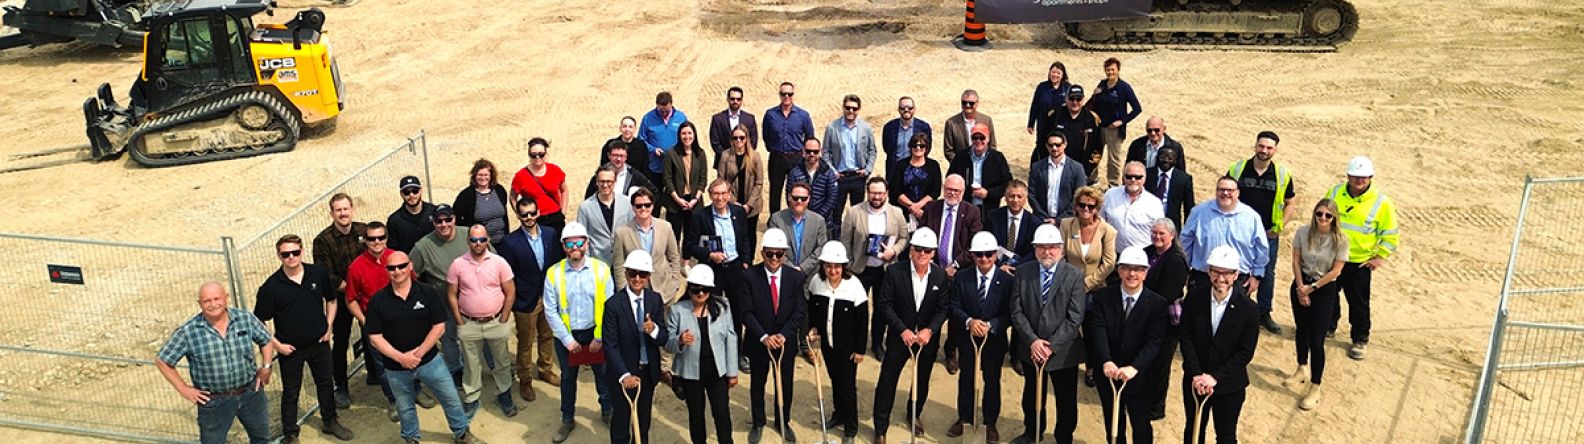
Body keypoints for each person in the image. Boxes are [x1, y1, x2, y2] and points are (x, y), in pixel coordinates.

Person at [366, 252, 476, 444]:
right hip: (395, 368)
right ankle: (411, 438)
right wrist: (401, 358)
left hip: (431, 362)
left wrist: (417, 354)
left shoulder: (427, 292)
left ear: (410, 266)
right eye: (392, 268)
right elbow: (375, 337)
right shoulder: (378, 301)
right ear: (386, 271)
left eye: (401, 266)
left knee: (450, 399)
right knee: (405, 408)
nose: (397, 271)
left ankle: (462, 434)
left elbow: (439, 326)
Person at [253, 235, 355, 442]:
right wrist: (278, 346)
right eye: (286, 254)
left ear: (302, 251)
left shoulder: (317, 273)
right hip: (291, 350)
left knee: (326, 383)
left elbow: (332, 300)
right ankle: (290, 433)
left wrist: (328, 326)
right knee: (291, 392)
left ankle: (330, 421)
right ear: (279, 256)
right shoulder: (271, 287)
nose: (291, 257)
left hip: (319, 343)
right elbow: (258, 322)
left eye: (295, 252)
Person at [157, 282, 282, 444]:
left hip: (251, 394)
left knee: (261, 439)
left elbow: (265, 340)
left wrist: (266, 366)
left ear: (226, 298)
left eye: (217, 298)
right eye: (207, 301)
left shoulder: (244, 319)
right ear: (199, 304)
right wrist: (184, 389)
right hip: (214, 402)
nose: (213, 304)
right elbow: (163, 360)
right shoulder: (189, 331)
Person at [872, 228, 952, 444]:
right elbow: (884, 305)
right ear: (911, 251)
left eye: (927, 250)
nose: (922, 254)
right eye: (918, 249)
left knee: (922, 380)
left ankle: (913, 414)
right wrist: (902, 330)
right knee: (887, 381)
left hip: (926, 341)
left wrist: (930, 330)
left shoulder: (940, 276)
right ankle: (880, 428)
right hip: (900, 339)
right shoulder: (894, 272)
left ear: (933, 253)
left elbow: (943, 308)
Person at [1009, 224, 1086, 444]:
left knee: (1065, 398)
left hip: (1063, 352)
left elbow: (1075, 317)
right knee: (1032, 394)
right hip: (1031, 348)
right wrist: (1033, 341)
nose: (1047, 252)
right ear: (1034, 249)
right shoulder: (1024, 272)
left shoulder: (1074, 276)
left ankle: (1064, 436)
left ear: (1061, 249)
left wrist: (1051, 345)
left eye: (1052, 247)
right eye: (1042, 247)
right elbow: (1016, 311)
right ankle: (1032, 432)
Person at [542, 222, 616, 442]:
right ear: (563, 246)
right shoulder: (553, 274)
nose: (575, 247)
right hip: (568, 337)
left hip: (595, 334)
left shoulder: (601, 269)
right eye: (569, 243)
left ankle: (607, 412)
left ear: (587, 243)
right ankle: (567, 418)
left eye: (578, 242)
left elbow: (608, 307)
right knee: (568, 379)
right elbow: (550, 310)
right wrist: (567, 340)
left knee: (602, 376)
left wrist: (599, 337)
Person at [1085, 246, 1167, 444]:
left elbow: (1154, 342)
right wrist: (1106, 361)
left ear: (1145, 273)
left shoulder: (1157, 304)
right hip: (1109, 373)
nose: (1132, 274)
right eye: (1127, 268)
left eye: (1138, 269)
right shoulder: (1103, 297)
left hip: (1139, 376)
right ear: (1119, 271)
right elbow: (1098, 329)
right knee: (1113, 421)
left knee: (1140, 423)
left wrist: (1135, 367)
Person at [1180, 246, 1260, 444]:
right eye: (1216, 272)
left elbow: (1245, 352)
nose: (1221, 279)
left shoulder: (1249, 309)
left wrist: (1215, 377)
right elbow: (1186, 338)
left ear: (1236, 275)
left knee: (1225, 436)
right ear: (1209, 271)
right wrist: (1197, 374)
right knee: (1193, 432)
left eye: (1227, 273)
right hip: (1195, 382)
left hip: (1229, 385)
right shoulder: (1194, 298)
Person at [1327, 156, 1399, 361]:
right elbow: (1322, 216)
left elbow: (1391, 234)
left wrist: (1380, 257)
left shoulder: (1382, 203)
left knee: (1358, 303)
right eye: (1355, 176)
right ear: (1348, 175)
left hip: (1358, 262)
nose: (1359, 180)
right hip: (1332, 256)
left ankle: (1360, 339)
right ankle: (1328, 327)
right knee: (1329, 295)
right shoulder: (1335, 193)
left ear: (1371, 177)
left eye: (1363, 177)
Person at [739, 228, 808, 443]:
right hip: (759, 341)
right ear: (763, 253)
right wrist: (764, 337)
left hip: (784, 342)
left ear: (785, 254)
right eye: (770, 254)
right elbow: (745, 312)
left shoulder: (796, 277)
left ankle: (782, 421)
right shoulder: (750, 276)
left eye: (779, 254)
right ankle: (758, 421)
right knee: (758, 383)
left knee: (785, 383)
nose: (775, 259)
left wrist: (784, 335)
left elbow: (799, 310)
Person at [944, 232, 1014, 442]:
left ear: (995, 256)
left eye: (989, 254)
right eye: (979, 255)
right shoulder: (962, 277)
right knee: (966, 378)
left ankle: (990, 422)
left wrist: (991, 325)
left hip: (994, 341)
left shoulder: (1007, 281)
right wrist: (969, 322)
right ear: (973, 256)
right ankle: (964, 417)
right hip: (968, 340)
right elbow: (953, 306)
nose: (984, 259)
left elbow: (1011, 313)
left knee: (992, 380)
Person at [494, 197, 563, 402]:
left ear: (538, 212)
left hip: (549, 297)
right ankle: (525, 379)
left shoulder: (551, 234)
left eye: (532, 213)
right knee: (525, 342)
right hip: (525, 300)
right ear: (517, 215)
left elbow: (557, 264)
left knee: (547, 335)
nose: (529, 218)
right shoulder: (509, 242)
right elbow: (507, 275)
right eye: (524, 214)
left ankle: (545, 369)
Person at [1227, 130, 1297, 334]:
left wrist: (1279, 227)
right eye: (1261, 146)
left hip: (1268, 234)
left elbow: (1290, 202)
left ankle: (1263, 312)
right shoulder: (1238, 169)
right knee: (1238, 270)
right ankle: (1237, 308)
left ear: (1275, 150)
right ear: (1255, 145)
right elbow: (1226, 194)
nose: (1264, 151)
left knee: (1267, 272)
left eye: (1269, 148)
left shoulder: (1282, 174)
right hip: (1240, 232)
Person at [1283, 199, 1348, 411]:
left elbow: (1336, 271)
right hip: (1301, 284)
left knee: (1317, 339)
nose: (1323, 218)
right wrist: (1301, 287)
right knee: (1301, 330)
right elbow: (1296, 260)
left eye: (1328, 215)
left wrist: (1312, 288)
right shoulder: (1303, 232)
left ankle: (1315, 386)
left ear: (1334, 218)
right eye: (1319, 214)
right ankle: (1301, 368)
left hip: (1323, 288)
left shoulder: (1340, 240)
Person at [447, 225, 519, 417]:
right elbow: (452, 294)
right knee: (471, 364)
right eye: (473, 240)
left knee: (502, 361)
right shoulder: (457, 264)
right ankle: (472, 397)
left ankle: (504, 394)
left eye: (482, 239)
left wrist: (504, 317)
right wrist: (459, 320)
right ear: (467, 241)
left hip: (496, 321)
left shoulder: (499, 262)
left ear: (488, 240)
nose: (478, 244)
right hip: (468, 323)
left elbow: (510, 291)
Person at [666, 264, 741, 444]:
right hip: (691, 374)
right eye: (695, 290)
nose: (700, 294)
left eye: (705, 290)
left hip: (717, 370)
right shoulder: (677, 310)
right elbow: (668, 344)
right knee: (696, 415)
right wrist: (680, 341)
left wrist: (732, 372)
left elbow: (731, 338)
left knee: (722, 413)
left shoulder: (723, 307)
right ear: (689, 289)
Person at [806, 241, 869, 443]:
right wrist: (814, 328)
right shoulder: (816, 282)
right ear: (823, 265)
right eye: (828, 266)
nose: (832, 270)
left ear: (844, 266)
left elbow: (862, 320)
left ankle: (850, 428)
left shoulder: (855, 286)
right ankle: (839, 414)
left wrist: (860, 350)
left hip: (848, 347)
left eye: (837, 266)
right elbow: (814, 310)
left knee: (848, 386)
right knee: (835, 380)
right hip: (828, 345)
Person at [839, 176, 909, 355]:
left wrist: (893, 251)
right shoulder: (854, 212)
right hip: (860, 268)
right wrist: (848, 263)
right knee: (857, 307)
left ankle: (877, 343)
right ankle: (856, 341)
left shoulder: (897, 213)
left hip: (885, 269)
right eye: (873, 193)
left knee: (882, 308)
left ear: (886, 194)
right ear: (867, 193)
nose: (876, 197)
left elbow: (904, 238)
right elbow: (845, 240)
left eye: (880, 193)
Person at [606, 251, 670, 444]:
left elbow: (664, 338)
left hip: (647, 374)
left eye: (642, 274)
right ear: (626, 273)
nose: (637, 278)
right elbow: (610, 346)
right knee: (621, 422)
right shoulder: (613, 305)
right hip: (623, 374)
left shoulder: (654, 299)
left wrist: (654, 330)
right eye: (632, 273)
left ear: (649, 276)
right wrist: (624, 376)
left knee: (643, 423)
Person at [311, 193, 364, 409]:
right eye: (338, 210)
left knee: (372, 332)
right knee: (340, 342)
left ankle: (375, 374)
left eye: (346, 209)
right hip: (341, 299)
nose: (343, 213)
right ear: (331, 213)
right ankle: (341, 385)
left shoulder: (364, 231)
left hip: (365, 296)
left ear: (352, 209)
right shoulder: (322, 240)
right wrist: (350, 289)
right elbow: (326, 274)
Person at [408, 205, 469, 388]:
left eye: (448, 219)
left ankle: (494, 366)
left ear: (454, 219)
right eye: (439, 221)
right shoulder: (422, 246)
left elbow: (491, 258)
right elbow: (410, 274)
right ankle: (456, 370)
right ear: (433, 222)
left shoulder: (468, 234)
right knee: (449, 338)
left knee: (482, 335)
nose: (444, 224)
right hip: (443, 302)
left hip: (472, 298)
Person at [1179, 176, 1270, 299]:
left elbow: (1262, 248)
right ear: (1216, 191)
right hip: (1203, 277)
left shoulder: (1251, 217)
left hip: (1238, 279)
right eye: (1221, 189)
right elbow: (1185, 242)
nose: (1225, 193)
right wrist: (1184, 270)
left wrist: (1257, 275)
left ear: (1237, 193)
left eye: (1230, 190)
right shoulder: (1199, 212)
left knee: (1234, 318)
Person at [344, 222, 398, 418]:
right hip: (375, 326)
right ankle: (393, 399)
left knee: (411, 357)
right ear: (365, 241)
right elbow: (350, 300)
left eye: (381, 238)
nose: (377, 242)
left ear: (386, 238)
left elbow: (413, 285)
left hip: (401, 322)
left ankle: (415, 391)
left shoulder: (397, 259)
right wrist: (364, 321)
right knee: (383, 366)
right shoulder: (356, 267)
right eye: (372, 239)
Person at [1142, 218, 1189, 420]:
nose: (1157, 237)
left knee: (1160, 366)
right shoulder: (1148, 252)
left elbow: (1167, 294)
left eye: (1162, 234)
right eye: (1155, 233)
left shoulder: (1176, 260)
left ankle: (1156, 407)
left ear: (1172, 235)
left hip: (1167, 324)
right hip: (1146, 317)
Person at [613, 188, 685, 301]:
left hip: (664, 291)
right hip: (636, 292)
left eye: (647, 205)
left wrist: (675, 283)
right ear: (633, 207)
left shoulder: (665, 227)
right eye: (639, 206)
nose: (643, 208)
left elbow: (674, 257)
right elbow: (619, 266)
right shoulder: (622, 232)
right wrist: (624, 290)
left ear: (652, 206)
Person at [1085, 57, 1143, 186]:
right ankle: (1092, 178)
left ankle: (1113, 184)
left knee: (1113, 159)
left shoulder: (1124, 88)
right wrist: (1094, 94)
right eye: (1108, 70)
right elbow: (1093, 104)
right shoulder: (1102, 84)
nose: (1110, 72)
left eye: (1113, 70)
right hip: (1099, 127)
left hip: (1114, 130)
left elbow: (1137, 109)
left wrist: (1122, 121)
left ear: (1118, 70)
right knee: (1094, 154)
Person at [764, 81, 817, 213]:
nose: (786, 96)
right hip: (777, 158)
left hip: (796, 158)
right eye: (783, 94)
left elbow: (810, 136)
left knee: (797, 191)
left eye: (789, 94)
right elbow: (766, 136)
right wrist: (774, 149)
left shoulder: (803, 115)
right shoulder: (770, 115)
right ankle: (775, 221)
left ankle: (794, 218)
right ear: (779, 95)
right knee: (775, 191)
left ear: (793, 95)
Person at [687, 179, 757, 280]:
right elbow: (691, 246)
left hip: (736, 267)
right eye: (716, 193)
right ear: (710, 195)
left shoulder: (739, 212)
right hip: (712, 269)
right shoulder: (700, 217)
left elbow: (745, 238)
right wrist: (710, 255)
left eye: (723, 193)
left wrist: (746, 262)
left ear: (729, 195)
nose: (720, 198)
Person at [824, 94, 879, 219]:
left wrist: (867, 170)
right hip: (839, 178)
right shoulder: (832, 128)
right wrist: (833, 172)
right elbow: (825, 153)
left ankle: (856, 239)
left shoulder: (866, 128)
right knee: (836, 214)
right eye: (848, 107)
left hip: (858, 177)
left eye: (854, 108)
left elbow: (872, 151)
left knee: (858, 216)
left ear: (858, 110)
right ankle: (836, 237)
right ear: (843, 108)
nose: (851, 111)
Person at [922, 175, 984, 277]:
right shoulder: (931, 208)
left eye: (956, 191)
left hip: (960, 271)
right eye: (949, 189)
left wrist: (956, 265)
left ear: (963, 192)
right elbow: (923, 235)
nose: (952, 193)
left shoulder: (972, 212)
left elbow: (974, 244)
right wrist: (928, 259)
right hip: (930, 268)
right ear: (943, 189)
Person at [1060, 186, 1118, 293]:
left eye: (1091, 206)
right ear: (1076, 206)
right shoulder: (1066, 225)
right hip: (1068, 286)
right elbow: (1060, 256)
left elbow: (1109, 263)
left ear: (1097, 209)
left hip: (1096, 288)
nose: (1086, 209)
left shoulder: (1107, 230)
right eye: (1082, 205)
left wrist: (1087, 284)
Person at [576, 166, 636, 266]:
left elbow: (633, 230)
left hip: (622, 260)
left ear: (615, 182)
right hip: (598, 262)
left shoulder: (626, 202)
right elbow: (582, 237)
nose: (605, 185)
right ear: (596, 182)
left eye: (609, 181)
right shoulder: (585, 207)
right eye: (601, 181)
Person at [947, 123, 1013, 214]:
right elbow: (951, 179)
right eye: (975, 138)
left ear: (988, 139)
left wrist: (988, 193)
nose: (978, 141)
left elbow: (1007, 183)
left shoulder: (997, 158)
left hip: (990, 209)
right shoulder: (961, 157)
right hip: (964, 208)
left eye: (982, 138)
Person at [1102, 161, 1166, 253]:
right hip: (1113, 254)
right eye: (1129, 176)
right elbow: (1100, 222)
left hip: (1142, 258)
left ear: (1144, 179)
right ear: (1124, 177)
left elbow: (1160, 233)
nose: (1133, 180)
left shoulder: (1154, 203)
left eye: (1138, 177)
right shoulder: (1110, 195)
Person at [509, 138, 571, 232]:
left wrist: (563, 211)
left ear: (546, 154)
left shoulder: (554, 170)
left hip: (556, 217)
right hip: (534, 219)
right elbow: (513, 197)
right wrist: (522, 215)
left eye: (541, 154)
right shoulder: (521, 176)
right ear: (529, 155)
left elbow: (564, 190)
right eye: (533, 155)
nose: (537, 157)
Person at [767, 182, 829, 273]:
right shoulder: (776, 219)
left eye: (803, 198)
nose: (799, 201)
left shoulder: (819, 221)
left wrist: (803, 268)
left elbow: (821, 248)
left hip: (810, 275)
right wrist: (791, 269)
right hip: (783, 273)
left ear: (809, 199)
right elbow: (774, 248)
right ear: (789, 197)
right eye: (795, 198)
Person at [663, 121, 711, 240]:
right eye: (683, 133)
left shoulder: (700, 153)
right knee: (674, 235)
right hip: (675, 201)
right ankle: (674, 258)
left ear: (694, 135)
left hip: (694, 201)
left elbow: (703, 179)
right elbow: (667, 179)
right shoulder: (671, 153)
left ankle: (686, 259)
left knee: (692, 235)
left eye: (689, 133)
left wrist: (695, 199)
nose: (687, 136)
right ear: (679, 135)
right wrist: (677, 199)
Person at [1028, 132, 1089, 224]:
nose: (1054, 148)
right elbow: (1032, 194)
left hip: (1068, 221)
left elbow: (1080, 196)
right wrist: (1044, 217)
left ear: (1065, 145)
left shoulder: (1077, 168)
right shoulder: (1037, 167)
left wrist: (1059, 220)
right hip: (1042, 220)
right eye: (1051, 145)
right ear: (1046, 146)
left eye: (1058, 145)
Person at [718, 124, 767, 233]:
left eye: (742, 137)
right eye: (735, 138)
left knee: (750, 235)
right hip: (732, 203)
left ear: (747, 138)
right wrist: (733, 201)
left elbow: (759, 183)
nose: (738, 140)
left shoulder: (755, 156)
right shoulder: (725, 156)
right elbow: (721, 181)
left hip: (752, 205)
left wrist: (749, 204)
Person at [786, 137, 842, 234]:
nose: (812, 154)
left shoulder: (828, 173)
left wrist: (817, 218)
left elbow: (832, 198)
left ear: (820, 152)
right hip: (800, 223)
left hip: (823, 223)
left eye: (815, 151)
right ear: (803, 152)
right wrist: (804, 216)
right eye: (808, 151)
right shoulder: (794, 173)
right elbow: (790, 197)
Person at [1052, 85, 1104, 179]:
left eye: (1078, 99)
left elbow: (1098, 147)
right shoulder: (1055, 116)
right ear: (1066, 99)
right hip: (1056, 169)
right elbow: (1044, 142)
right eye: (1071, 99)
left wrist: (1087, 171)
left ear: (1083, 100)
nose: (1075, 102)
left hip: (1081, 171)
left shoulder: (1091, 119)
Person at [454, 158, 511, 244]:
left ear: (491, 176)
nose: (483, 178)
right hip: (480, 243)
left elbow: (504, 215)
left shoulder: (499, 190)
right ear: (474, 176)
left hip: (503, 239)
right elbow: (456, 216)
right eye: (480, 175)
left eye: (486, 175)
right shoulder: (466, 195)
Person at [890, 132, 943, 222]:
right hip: (903, 211)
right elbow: (895, 189)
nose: (918, 148)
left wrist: (918, 206)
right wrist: (911, 206)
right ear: (910, 147)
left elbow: (936, 190)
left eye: (921, 146)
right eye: (915, 145)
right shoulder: (901, 165)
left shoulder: (933, 165)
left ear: (926, 148)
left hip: (926, 212)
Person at [988, 180, 1040, 270]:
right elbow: (988, 244)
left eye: (1019, 196)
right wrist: (999, 266)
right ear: (1005, 197)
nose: (1015, 200)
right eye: (1012, 196)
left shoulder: (1034, 223)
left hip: (1022, 270)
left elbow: (1033, 251)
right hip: (996, 267)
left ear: (1026, 198)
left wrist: (1015, 267)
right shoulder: (993, 218)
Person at [640, 91, 689, 185]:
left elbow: (688, 136)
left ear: (671, 104)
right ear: (657, 105)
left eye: (667, 110)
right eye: (661, 110)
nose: (664, 113)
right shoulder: (648, 118)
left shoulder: (681, 117)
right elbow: (641, 139)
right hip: (656, 166)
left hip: (677, 165)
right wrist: (653, 149)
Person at [1027, 61, 1074, 158]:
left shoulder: (1067, 88)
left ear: (1063, 75)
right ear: (1049, 73)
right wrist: (1031, 123)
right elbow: (1035, 105)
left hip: (1061, 125)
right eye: (1053, 72)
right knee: (1042, 147)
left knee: (1058, 147)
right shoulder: (1042, 87)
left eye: (1058, 73)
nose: (1055, 75)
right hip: (1043, 123)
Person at [881, 96, 933, 180]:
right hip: (894, 171)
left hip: (916, 170)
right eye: (903, 108)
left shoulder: (924, 127)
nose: (906, 110)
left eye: (909, 108)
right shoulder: (889, 127)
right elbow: (887, 148)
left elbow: (927, 149)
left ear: (914, 109)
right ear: (898, 110)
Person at [584, 139, 655, 199]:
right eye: (615, 155)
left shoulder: (634, 175)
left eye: (621, 156)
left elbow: (654, 192)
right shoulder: (600, 175)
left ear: (626, 157)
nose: (618, 159)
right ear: (609, 155)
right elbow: (588, 198)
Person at [1144, 145, 1194, 229]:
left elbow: (1188, 207)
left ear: (1175, 160)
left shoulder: (1183, 179)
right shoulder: (1147, 174)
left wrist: (1188, 229)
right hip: (1147, 221)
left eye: (1170, 158)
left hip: (1171, 224)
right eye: (1162, 157)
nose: (1165, 161)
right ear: (1157, 158)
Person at [943, 89, 996, 163]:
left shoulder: (987, 120)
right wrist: (959, 165)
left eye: (971, 103)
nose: (967, 105)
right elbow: (948, 151)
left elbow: (992, 146)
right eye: (964, 103)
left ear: (977, 103)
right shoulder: (951, 123)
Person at [387, 175, 437, 253]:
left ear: (420, 191)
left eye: (415, 191)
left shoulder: (434, 212)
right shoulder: (394, 221)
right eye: (407, 192)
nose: (411, 195)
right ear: (401, 194)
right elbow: (393, 250)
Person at [601, 116, 652, 185]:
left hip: (635, 184)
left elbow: (645, 169)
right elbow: (604, 165)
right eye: (624, 126)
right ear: (620, 128)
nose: (627, 129)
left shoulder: (641, 146)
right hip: (613, 183)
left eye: (630, 127)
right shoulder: (610, 144)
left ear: (634, 129)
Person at [709, 86, 759, 155]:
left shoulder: (750, 119)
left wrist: (742, 156)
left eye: (738, 99)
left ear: (742, 100)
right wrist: (727, 157)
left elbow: (753, 142)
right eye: (732, 99)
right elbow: (715, 143)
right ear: (727, 99)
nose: (735, 101)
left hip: (745, 162)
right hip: (723, 162)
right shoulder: (717, 119)